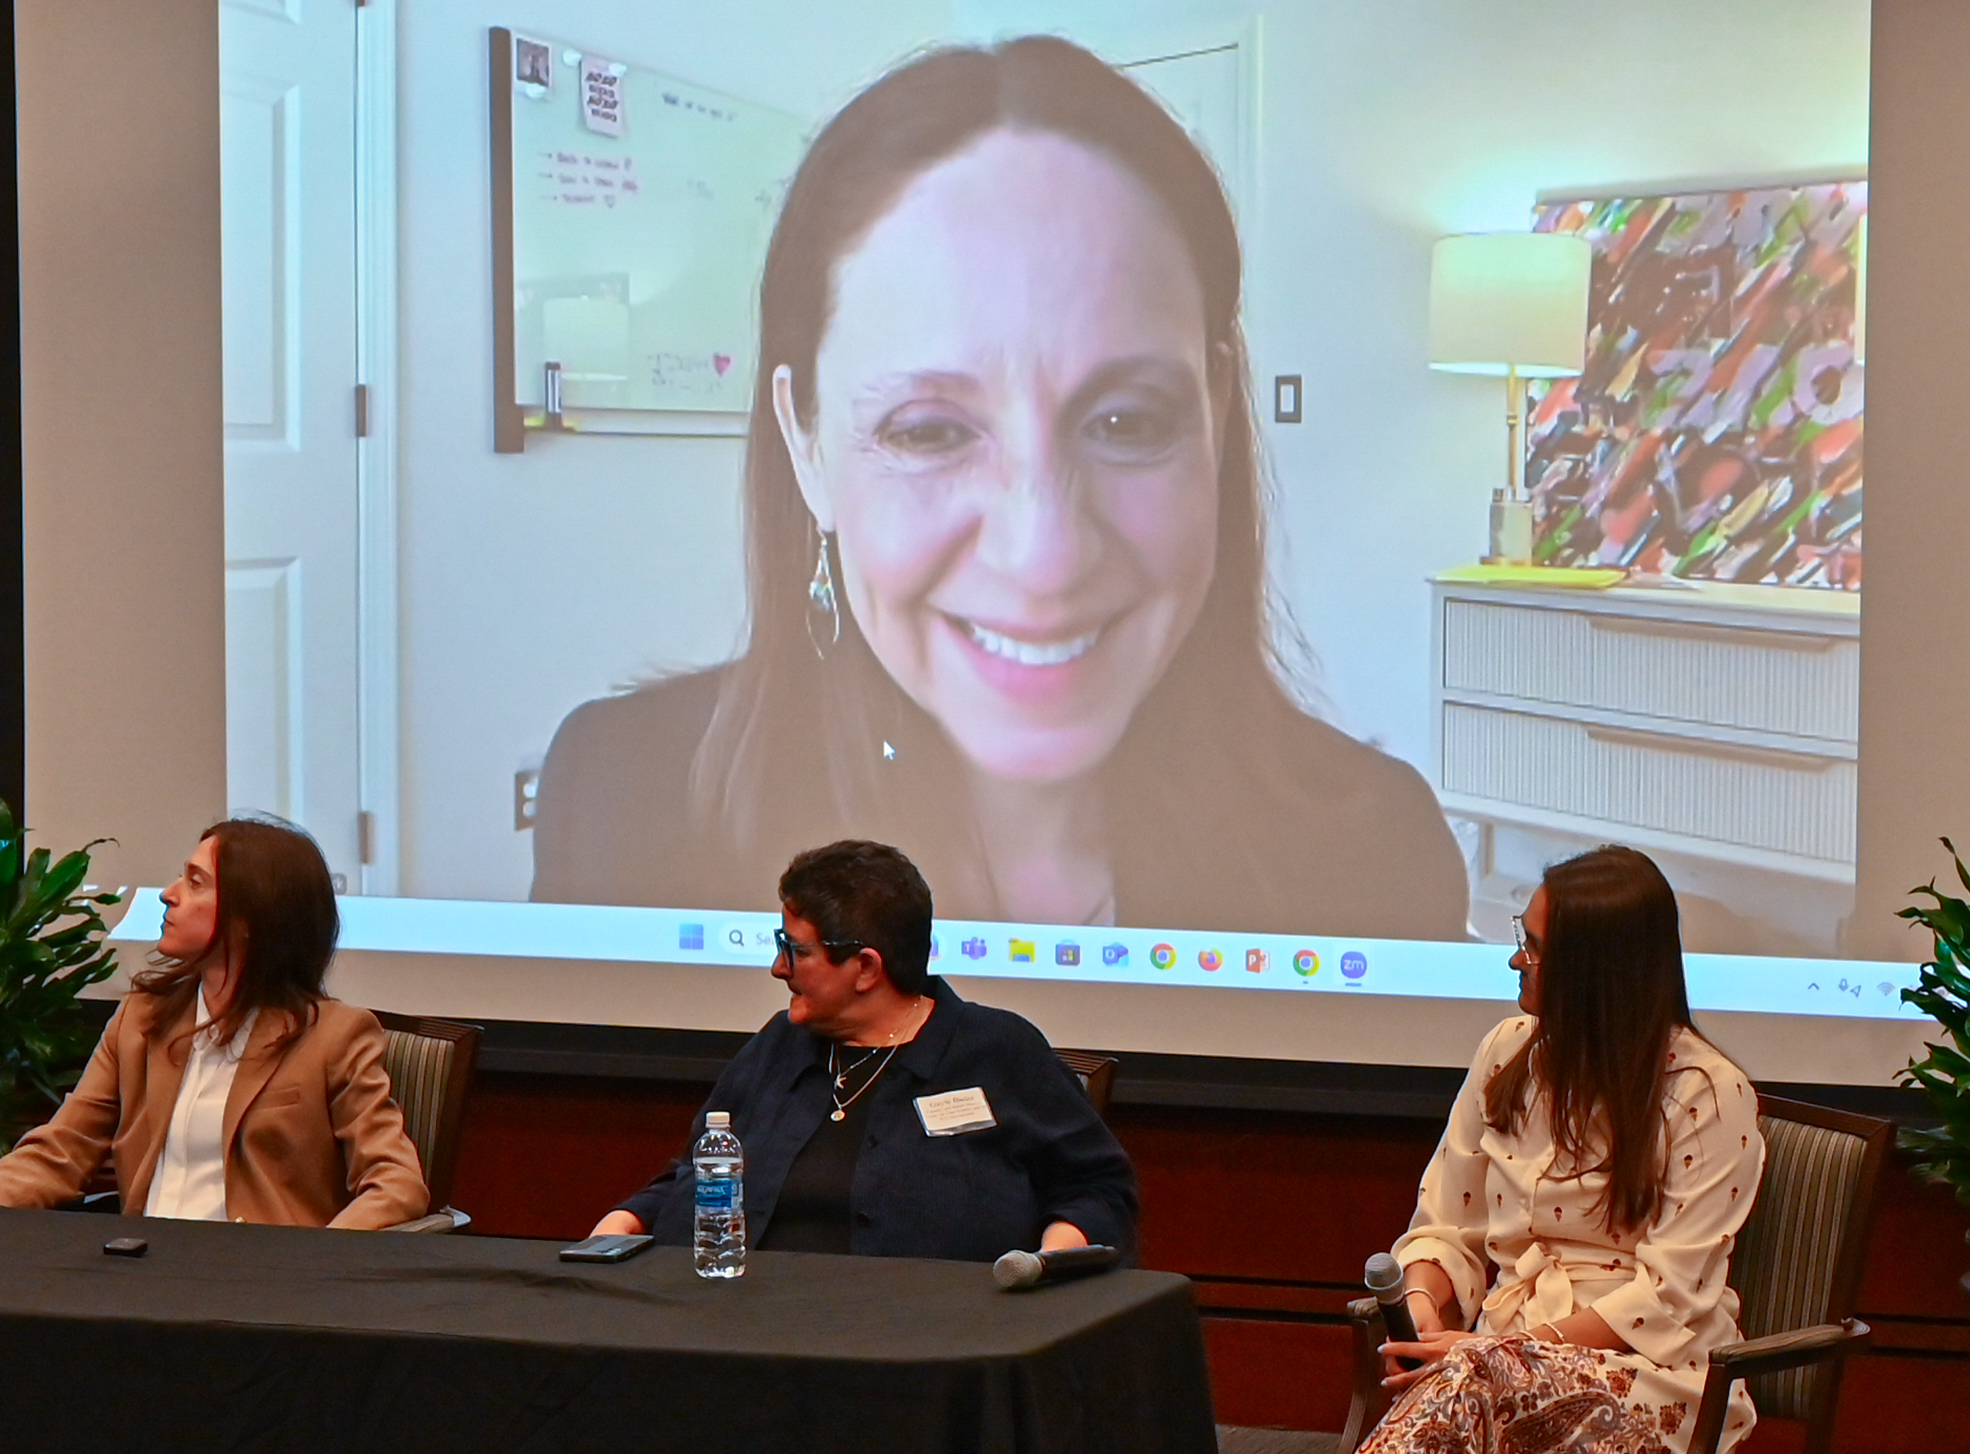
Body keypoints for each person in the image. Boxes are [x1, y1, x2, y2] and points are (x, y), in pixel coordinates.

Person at [529, 36, 1466, 939]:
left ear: (1215, 413)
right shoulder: (628, 811)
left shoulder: (1377, 855)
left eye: (1126, 422)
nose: (1043, 552)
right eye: (928, 432)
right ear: (803, 442)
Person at [1341, 846, 1762, 1454]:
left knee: (1468, 1388)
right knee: (1466, 1390)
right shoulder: (1506, 1053)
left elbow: (1669, 1300)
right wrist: (1424, 1301)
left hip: (1653, 1382)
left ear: (1595, 971)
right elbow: (1447, 1224)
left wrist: (1500, 1352)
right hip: (1487, 1372)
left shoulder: (1705, 1091)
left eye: (1534, 948)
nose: (1517, 960)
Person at [592, 840, 1135, 1261]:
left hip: (927, 1343)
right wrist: (619, 1225)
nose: (778, 968)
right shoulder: (778, 1046)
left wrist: (1044, 1268)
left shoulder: (996, 1050)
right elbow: (698, 1169)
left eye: (796, 951)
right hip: (735, 1325)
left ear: (867, 968)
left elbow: (1097, 1188)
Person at [0, 818, 430, 1227]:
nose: (168, 895)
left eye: (195, 882)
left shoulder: (334, 1037)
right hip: (144, 1274)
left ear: (250, 917)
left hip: (265, 1294)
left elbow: (397, 1183)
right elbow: (64, 1147)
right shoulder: (141, 1019)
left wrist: (314, 1260)